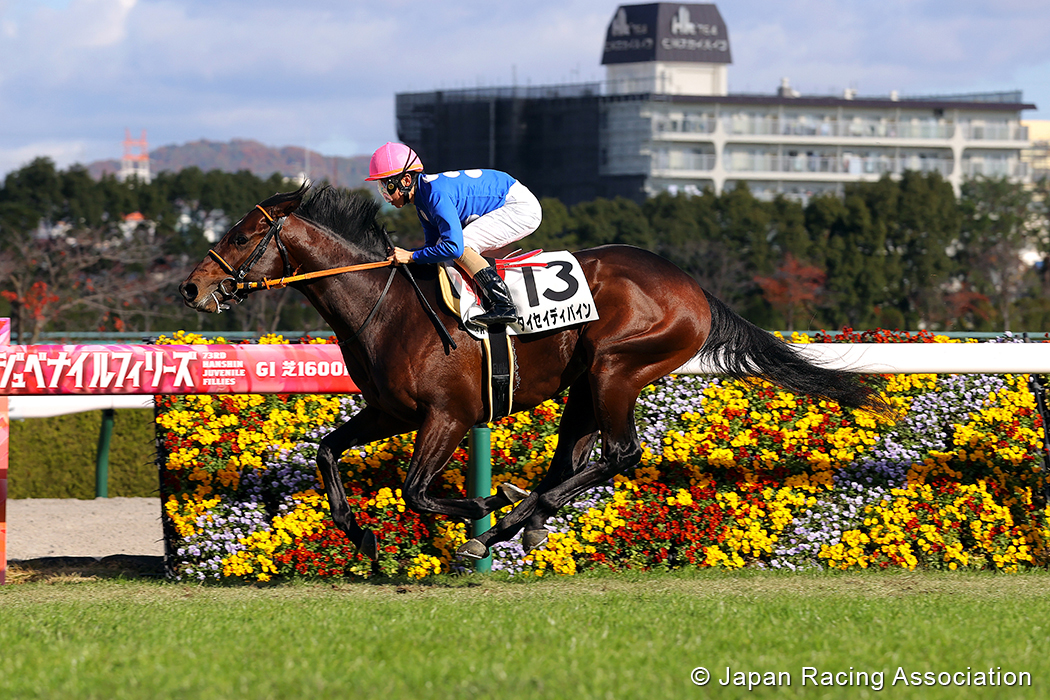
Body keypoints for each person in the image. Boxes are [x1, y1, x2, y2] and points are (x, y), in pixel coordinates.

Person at [366, 142, 542, 328]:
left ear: (406, 181)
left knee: (462, 245)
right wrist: (406, 256)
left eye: (386, 187)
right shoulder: (423, 202)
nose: (385, 196)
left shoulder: (434, 195)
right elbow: (432, 248)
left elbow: (454, 248)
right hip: (508, 198)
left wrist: (410, 256)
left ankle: (504, 305)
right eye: (381, 189)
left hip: (519, 207)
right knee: (444, 248)